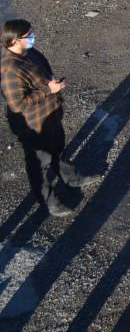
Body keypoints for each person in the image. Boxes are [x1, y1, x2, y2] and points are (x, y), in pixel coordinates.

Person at [2, 19, 101, 218]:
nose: (32, 37)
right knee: (39, 162)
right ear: (14, 40)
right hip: (34, 123)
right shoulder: (10, 69)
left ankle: (71, 178)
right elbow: (17, 104)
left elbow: (43, 71)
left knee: (57, 148)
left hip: (50, 113)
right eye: (28, 35)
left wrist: (52, 84)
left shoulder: (29, 52)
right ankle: (48, 201)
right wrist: (49, 89)